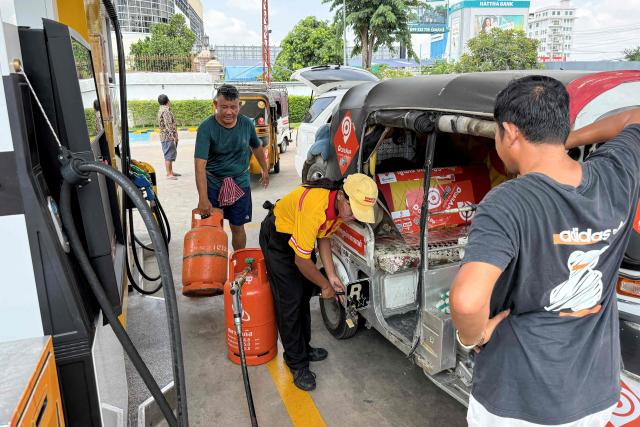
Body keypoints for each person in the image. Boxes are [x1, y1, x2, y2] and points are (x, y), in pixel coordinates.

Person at [450, 75, 640, 426]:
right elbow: (635, 116)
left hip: (516, 399)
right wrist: (563, 142)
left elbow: (466, 300)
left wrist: (473, 335)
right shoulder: (617, 175)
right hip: (594, 394)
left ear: (510, 132)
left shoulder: (508, 202)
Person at [259, 174, 378, 391]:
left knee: (304, 293)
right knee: (290, 301)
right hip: (278, 240)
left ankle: (303, 347)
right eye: (354, 209)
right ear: (342, 196)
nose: (354, 216)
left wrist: (331, 275)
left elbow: (323, 236)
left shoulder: (338, 207)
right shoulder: (315, 206)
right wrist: (324, 286)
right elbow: (300, 259)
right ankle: (296, 362)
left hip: (297, 241)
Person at [194, 84, 269, 250]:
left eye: (233, 107)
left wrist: (265, 169)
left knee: (238, 227)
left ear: (239, 106)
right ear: (215, 105)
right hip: (213, 185)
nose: (229, 112)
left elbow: (256, 147)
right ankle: (217, 267)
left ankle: (239, 261)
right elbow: (200, 166)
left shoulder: (247, 125)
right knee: (214, 229)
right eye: (224, 107)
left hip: (240, 184)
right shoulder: (206, 128)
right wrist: (203, 198)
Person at [157, 94, 180, 180]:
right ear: (167, 101)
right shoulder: (166, 111)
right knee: (168, 154)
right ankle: (169, 174)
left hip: (166, 136)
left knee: (170, 154)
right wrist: (173, 135)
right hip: (167, 137)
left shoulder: (161, 110)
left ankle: (171, 171)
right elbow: (168, 125)